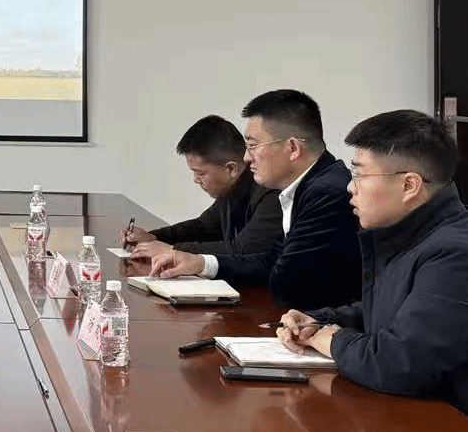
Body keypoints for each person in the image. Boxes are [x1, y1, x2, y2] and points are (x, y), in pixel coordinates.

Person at [276, 109, 468, 432]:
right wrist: (320, 320)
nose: (349, 187)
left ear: (409, 185)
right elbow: (391, 309)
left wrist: (331, 340)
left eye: (359, 174)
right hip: (436, 424)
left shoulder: (459, 253)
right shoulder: (417, 234)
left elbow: (398, 365)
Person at [148, 89, 360, 311]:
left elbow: (284, 281)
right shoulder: (309, 185)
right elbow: (272, 260)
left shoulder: (326, 193)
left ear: (293, 148)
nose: (247, 157)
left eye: (253, 145)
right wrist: (201, 263)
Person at [122, 114, 280, 258]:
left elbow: (242, 249)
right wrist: (154, 237)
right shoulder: (231, 188)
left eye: (200, 173)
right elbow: (203, 227)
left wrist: (172, 250)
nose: (196, 180)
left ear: (231, 169)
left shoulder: (272, 193)